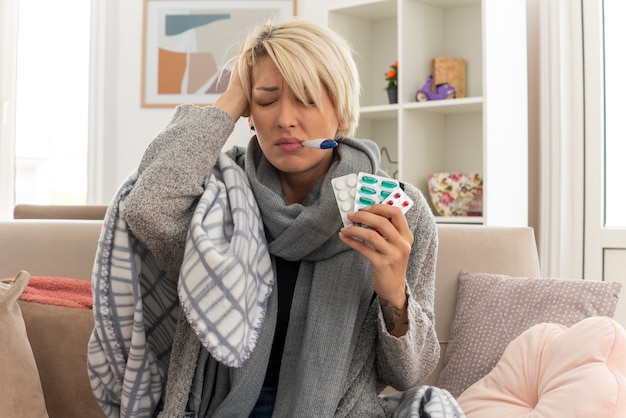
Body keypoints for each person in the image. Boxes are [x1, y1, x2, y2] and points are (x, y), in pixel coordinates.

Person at [88, 18, 440, 418]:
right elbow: (146, 205)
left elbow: (408, 373)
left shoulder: (398, 212)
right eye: (267, 100)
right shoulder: (215, 197)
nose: (285, 120)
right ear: (249, 114)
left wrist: (395, 292)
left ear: (340, 114)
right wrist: (236, 92)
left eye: (306, 99)